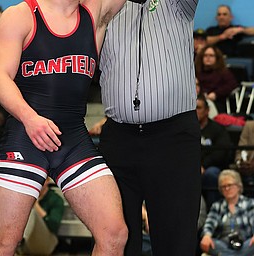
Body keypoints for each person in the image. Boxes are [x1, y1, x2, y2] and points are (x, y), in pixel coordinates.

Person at [0, 0, 128, 255]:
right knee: (5, 243)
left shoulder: (94, 13)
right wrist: (30, 118)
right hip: (26, 137)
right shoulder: (20, 15)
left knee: (114, 234)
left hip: (73, 140)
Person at [97, 0, 201, 255]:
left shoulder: (178, 4)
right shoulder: (105, 6)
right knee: (114, 237)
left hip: (173, 138)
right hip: (118, 137)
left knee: (175, 238)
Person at [0, 177, 64, 255]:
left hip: (44, 242)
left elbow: (53, 225)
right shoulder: (21, 194)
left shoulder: (55, 199)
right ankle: (11, 249)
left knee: (30, 211)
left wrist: (35, 204)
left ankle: (16, 245)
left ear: (47, 181)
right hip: (18, 241)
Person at [200, 169, 254, 256]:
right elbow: (209, 224)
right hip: (223, 244)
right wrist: (206, 236)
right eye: (223, 187)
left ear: (238, 186)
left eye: (229, 185)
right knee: (209, 243)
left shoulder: (250, 203)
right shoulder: (217, 206)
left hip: (244, 243)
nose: (227, 189)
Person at [197, 94, 231, 208]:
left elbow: (221, 152)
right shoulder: (187, 130)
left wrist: (203, 165)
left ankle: (213, 210)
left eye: (199, 108)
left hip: (210, 167)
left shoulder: (217, 129)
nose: (195, 111)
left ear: (207, 110)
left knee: (211, 174)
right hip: (189, 167)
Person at [195, 45, 238, 113]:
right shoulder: (196, 72)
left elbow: (232, 84)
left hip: (216, 102)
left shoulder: (223, 72)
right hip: (197, 100)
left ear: (217, 58)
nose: (208, 58)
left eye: (211, 55)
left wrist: (216, 94)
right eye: (205, 55)